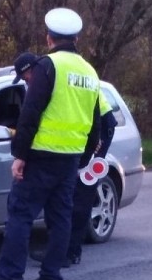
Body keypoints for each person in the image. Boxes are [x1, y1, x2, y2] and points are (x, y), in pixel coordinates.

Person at [0, 7, 101, 280]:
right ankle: (50, 278)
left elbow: (31, 111)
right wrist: (83, 158)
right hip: (69, 159)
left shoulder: (48, 66)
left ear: (49, 38)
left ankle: (10, 279)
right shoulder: (89, 71)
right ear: (77, 38)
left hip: (41, 155)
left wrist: (20, 155)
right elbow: (94, 120)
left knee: (20, 215)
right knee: (60, 219)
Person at [32, 89, 116, 266]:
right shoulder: (63, 79)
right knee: (67, 200)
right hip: (80, 141)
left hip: (91, 138)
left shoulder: (62, 80)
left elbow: (106, 123)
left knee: (80, 198)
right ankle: (63, 250)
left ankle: (69, 252)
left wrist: (90, 156)